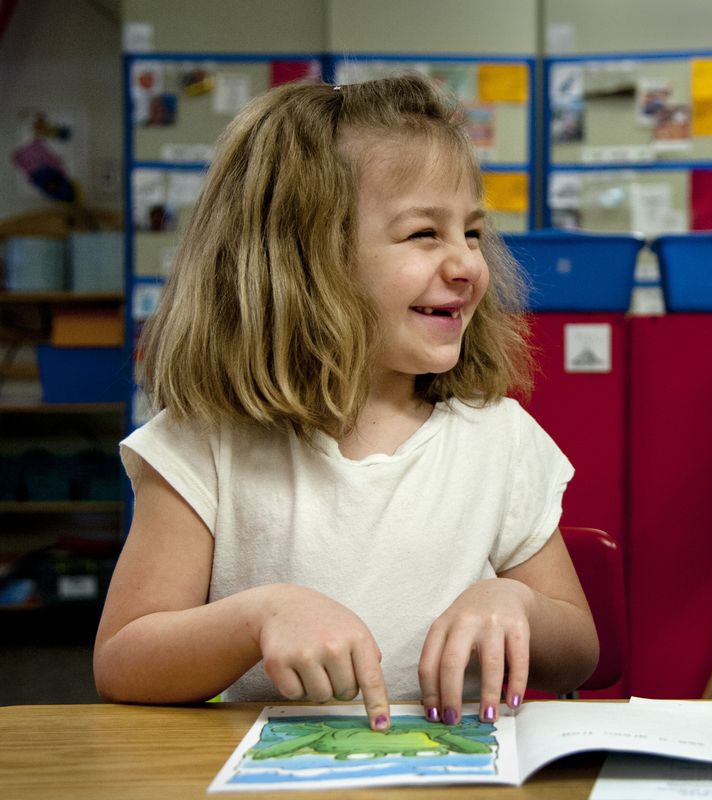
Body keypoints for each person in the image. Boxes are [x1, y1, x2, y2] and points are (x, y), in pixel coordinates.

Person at [94, 75, 599, 731]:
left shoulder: (499, 437)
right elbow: (122, 661)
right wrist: (256, 617)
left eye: (471, 233)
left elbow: (583, 653)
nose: (467, 265)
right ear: (305, 259)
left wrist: (516, 604)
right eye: (424, 233)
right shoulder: (205, 444)